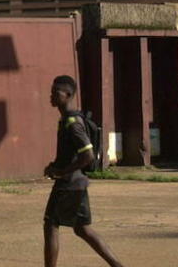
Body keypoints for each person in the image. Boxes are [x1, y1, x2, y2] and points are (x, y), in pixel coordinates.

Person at [43, 75, 123, 267]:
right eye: (51, 92)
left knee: (51, 224)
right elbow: (70, 154)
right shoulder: (66, 120)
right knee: (82, 229)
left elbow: (87, 155)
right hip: (77, 182)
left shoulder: (73, 122)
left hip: (69, 183)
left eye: (56, 93)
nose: (51, 96)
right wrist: (54, 165)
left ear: (68, 94)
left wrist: (63, 172)